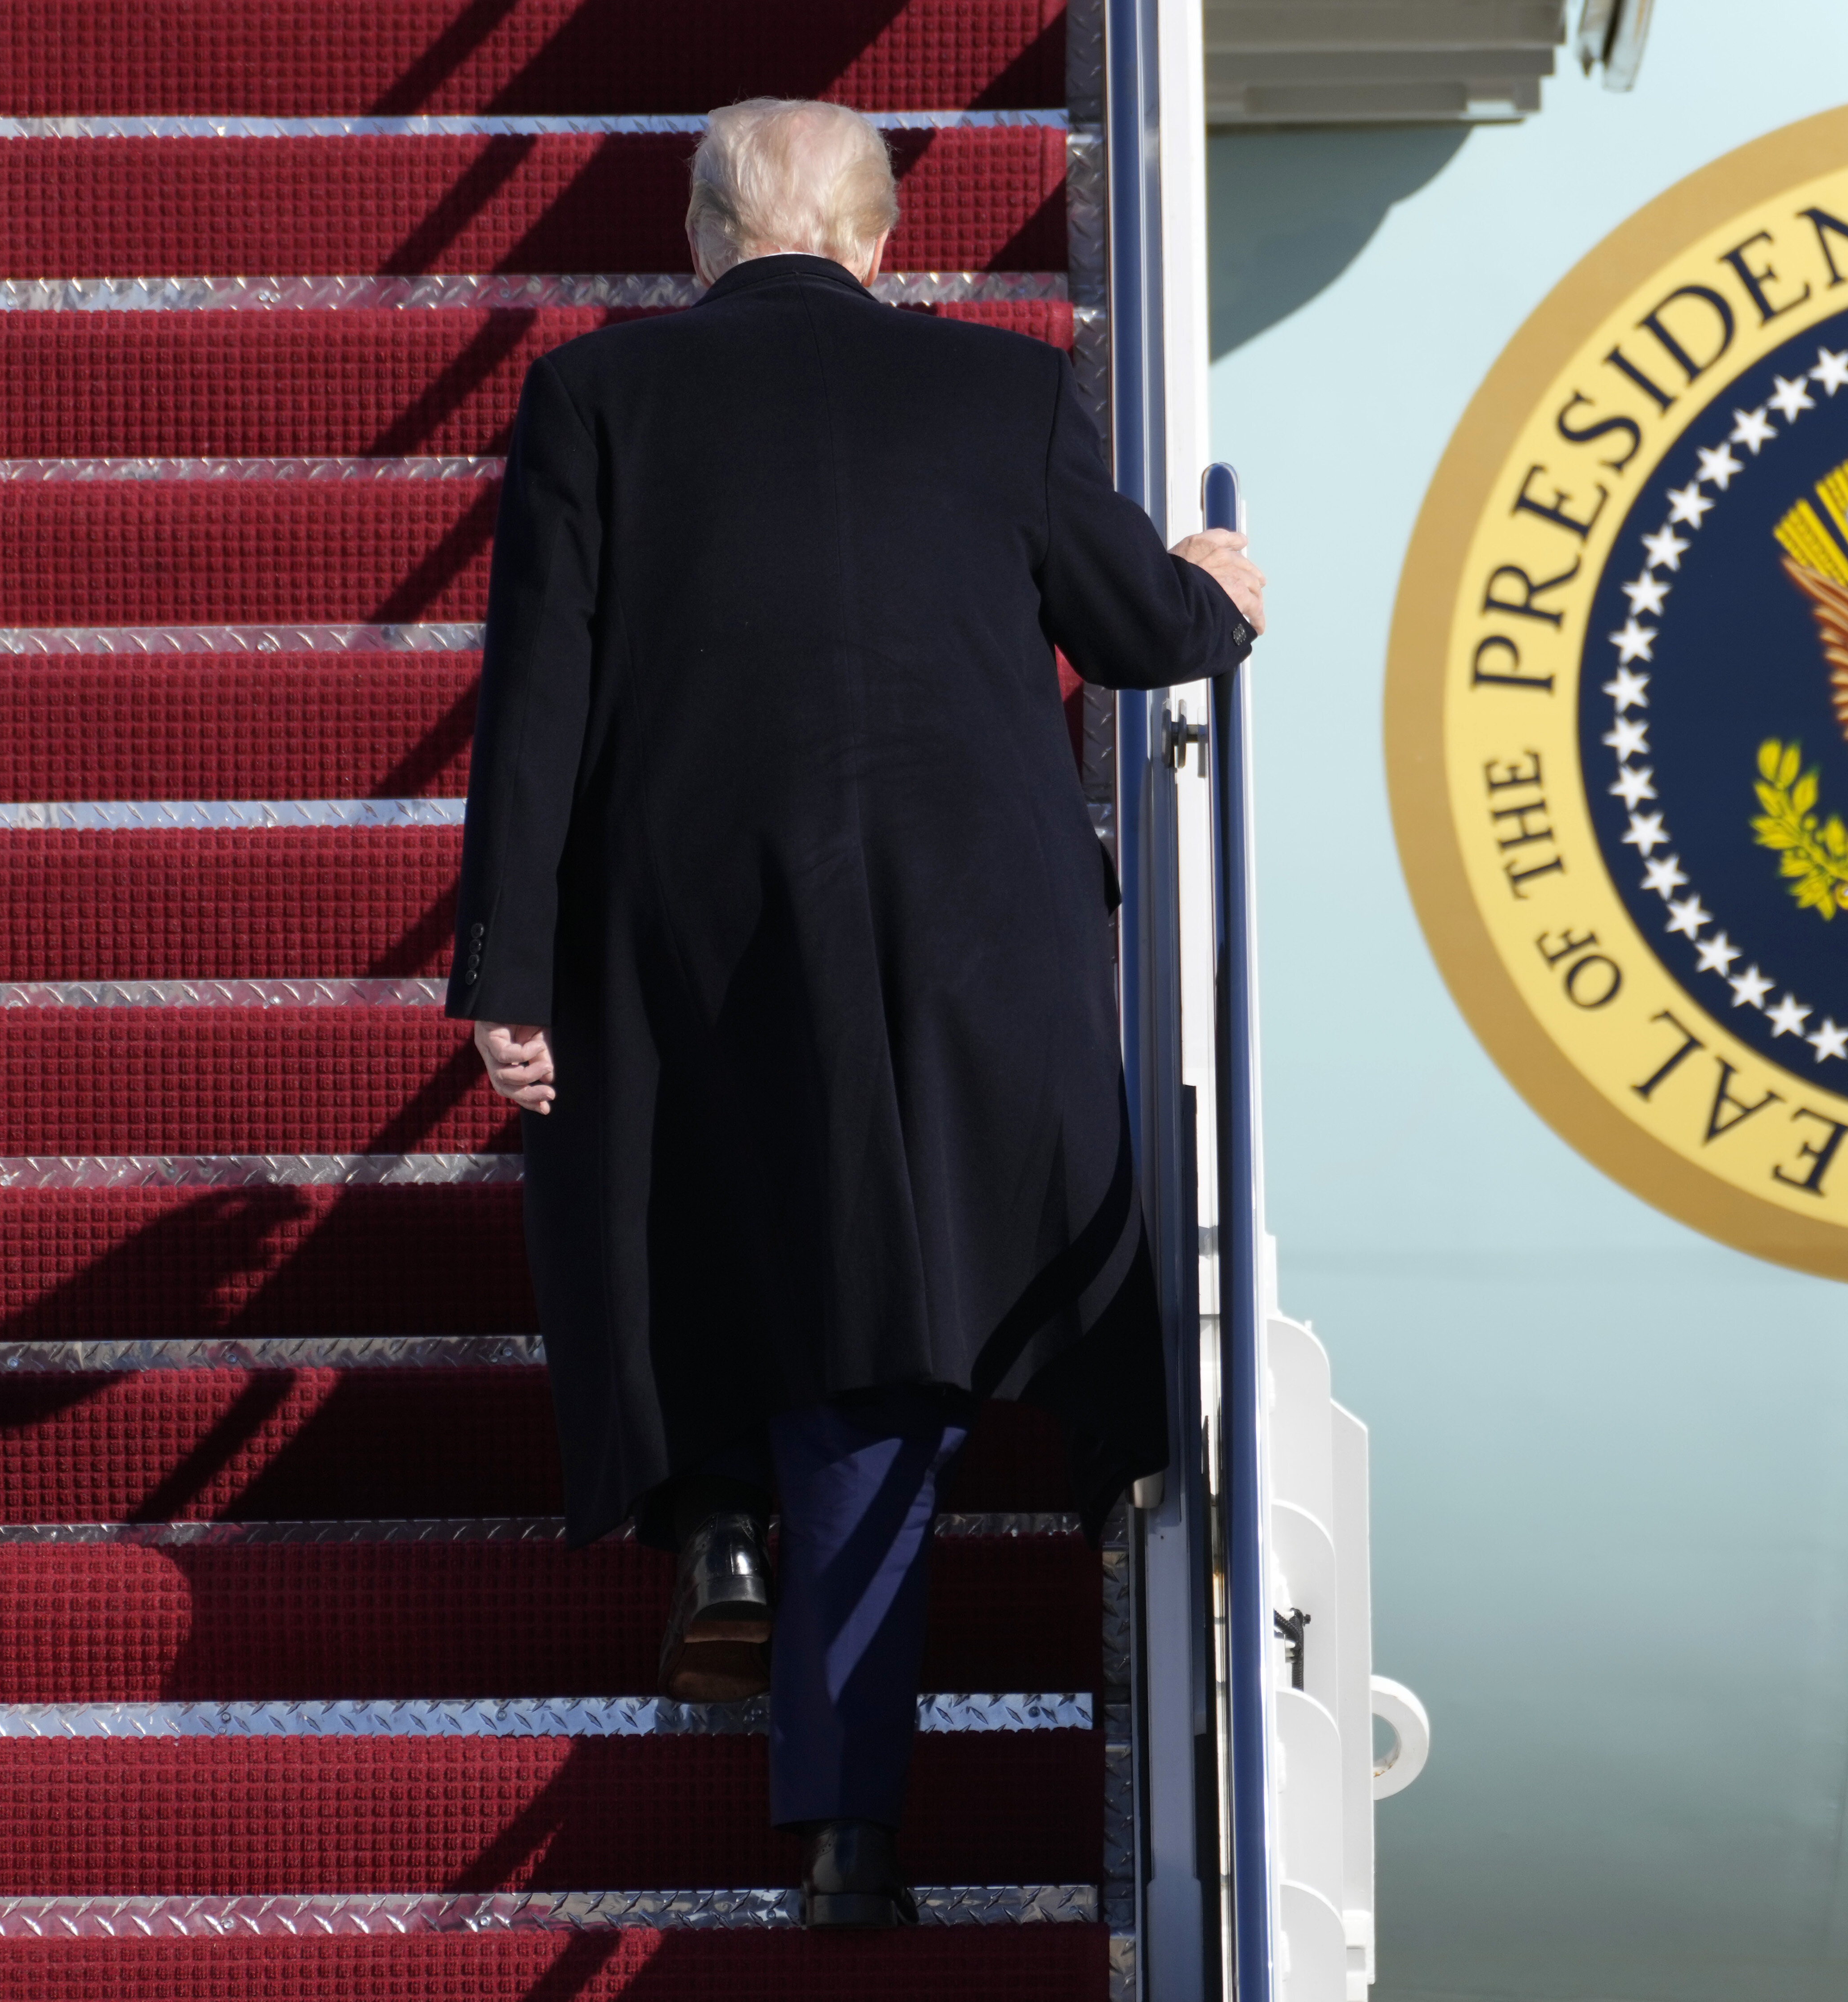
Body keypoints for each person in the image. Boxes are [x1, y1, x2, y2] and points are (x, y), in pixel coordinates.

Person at [447, 96, 1266, 1929]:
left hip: (690, 918)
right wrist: (1221, 602)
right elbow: (1140, 632)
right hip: (969, 937)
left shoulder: (596, 399)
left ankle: (718, 1514)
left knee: (695, 1232)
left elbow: (539, 705)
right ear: (885, 244)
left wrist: (508, 973)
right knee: (898, 1338)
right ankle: (849, 1827)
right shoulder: (997, 389)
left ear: (698, 240)